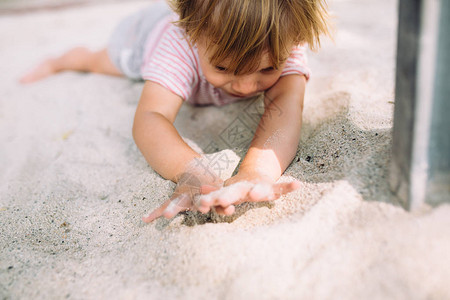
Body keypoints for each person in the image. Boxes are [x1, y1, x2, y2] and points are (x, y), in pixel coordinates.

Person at [20, 0, 331, 223]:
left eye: (266, 69)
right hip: (142, 39)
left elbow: (285, 113)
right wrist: (193, 172)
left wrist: (256, 174)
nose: (247, 87)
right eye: (223, 67)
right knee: (100, 62)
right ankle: (60, 61)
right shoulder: (180, 43)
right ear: (195, 39)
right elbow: (150, 117)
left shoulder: (283, 39)